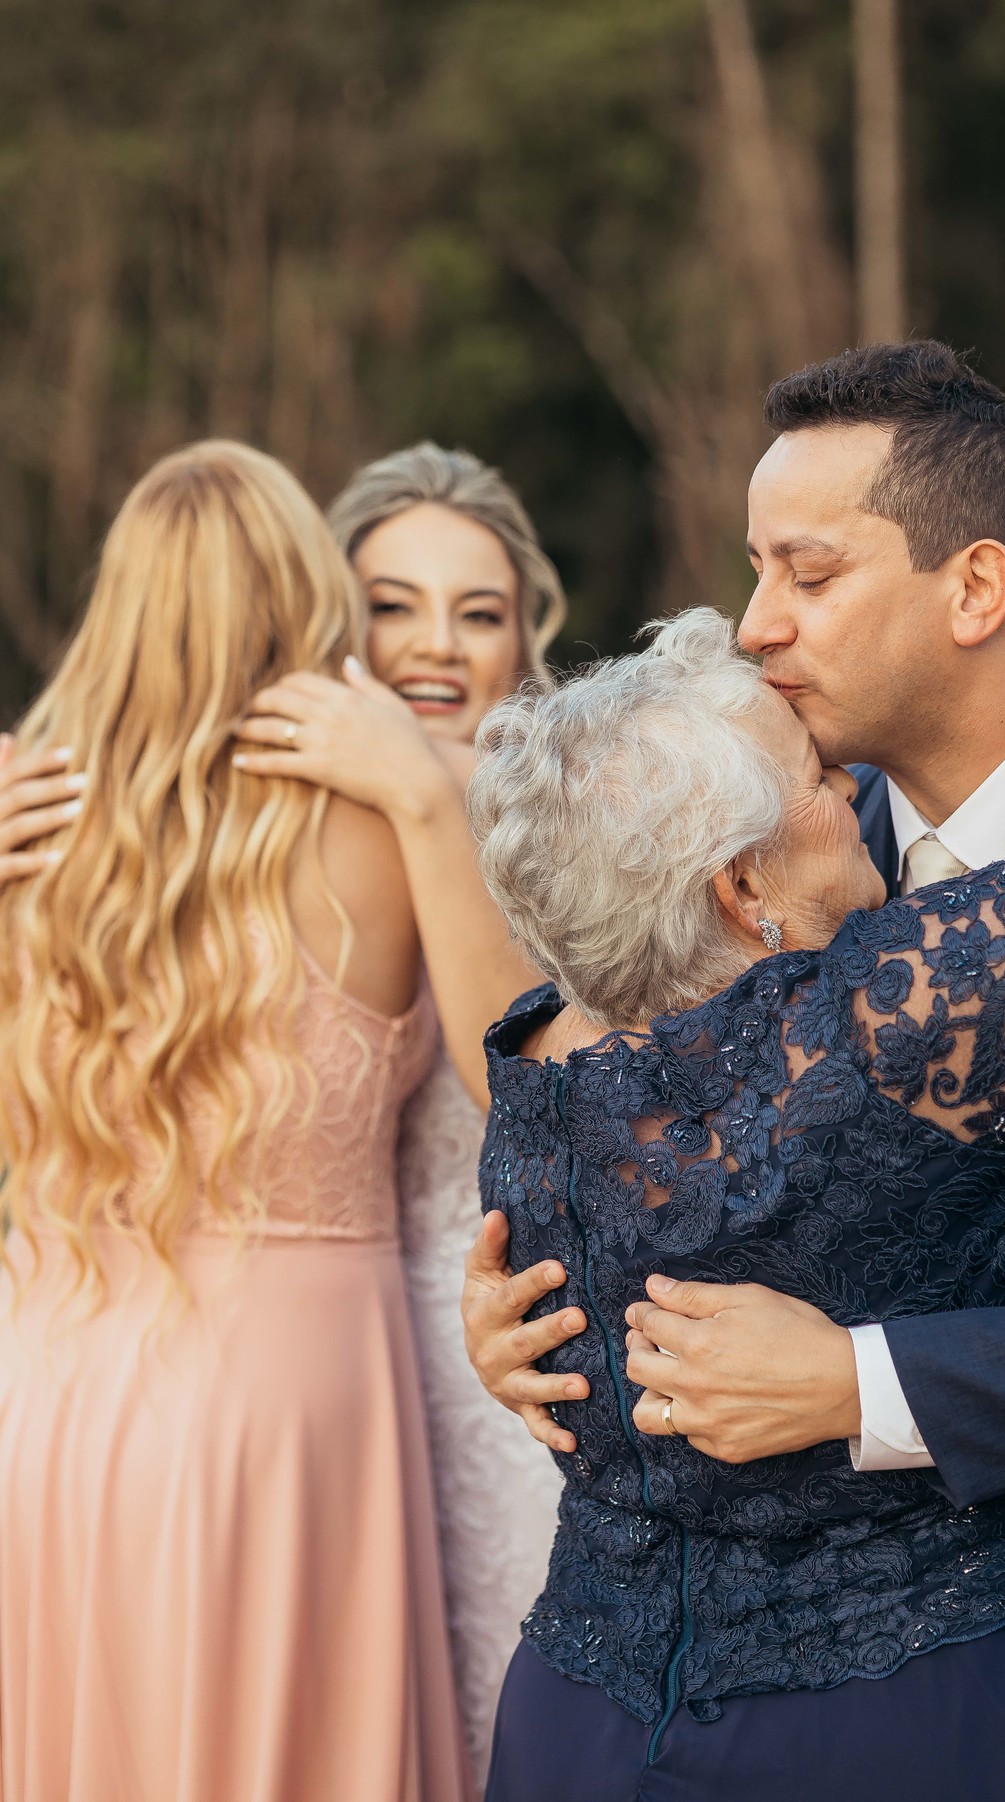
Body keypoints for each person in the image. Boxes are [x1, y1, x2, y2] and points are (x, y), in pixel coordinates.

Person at [462, 340, 1005, 1578]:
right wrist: (546, 1313)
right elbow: (678, 1123)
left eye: (808, 572)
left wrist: (868, 1382)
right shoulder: (784, 851)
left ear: (975, 589)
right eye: (758, 569)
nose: (756, 625)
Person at [467, 600, 1005, 1801]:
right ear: (744, 883)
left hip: (588, 1724)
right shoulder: (881, 1025)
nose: (846, 776)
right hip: (937, 1712)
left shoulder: (547, 1062)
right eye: (813, 777)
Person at [0, 443, 471, 1802]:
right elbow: (528, 1070)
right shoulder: (384, 824)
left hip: (51, 1392)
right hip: (288, 1414)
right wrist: (428, 784)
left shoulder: (35, 835)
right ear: (307, 596)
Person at [228, 442, 566, 1783]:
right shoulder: (258, 827)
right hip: (309, 1377)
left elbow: (530, 1085)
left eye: (477, 613)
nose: (436, 647)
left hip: (511, 1371)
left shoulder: (571, 833)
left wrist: (425, 797)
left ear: (522, 641)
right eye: (395, 604)